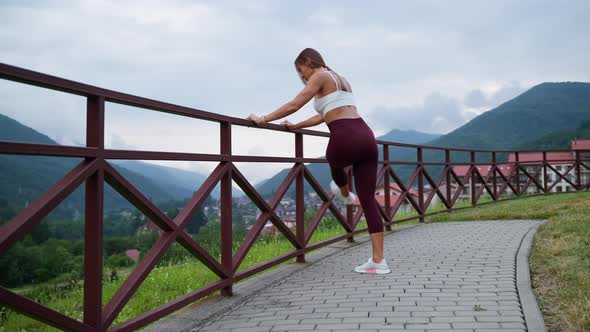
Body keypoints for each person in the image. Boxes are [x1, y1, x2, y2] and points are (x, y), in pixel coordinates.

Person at [246, 48, 390, 274]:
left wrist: (263, 119)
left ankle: (343, 192)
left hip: (344, 136)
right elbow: (326, 113)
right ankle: (379, 261)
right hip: (366, 136)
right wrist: (296, 126)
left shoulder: (319, 76)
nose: (302, 77)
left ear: (307, 61)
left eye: (300, 70)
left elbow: (295, 104)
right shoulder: (342, 79)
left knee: (334, 160)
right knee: (368, 200)